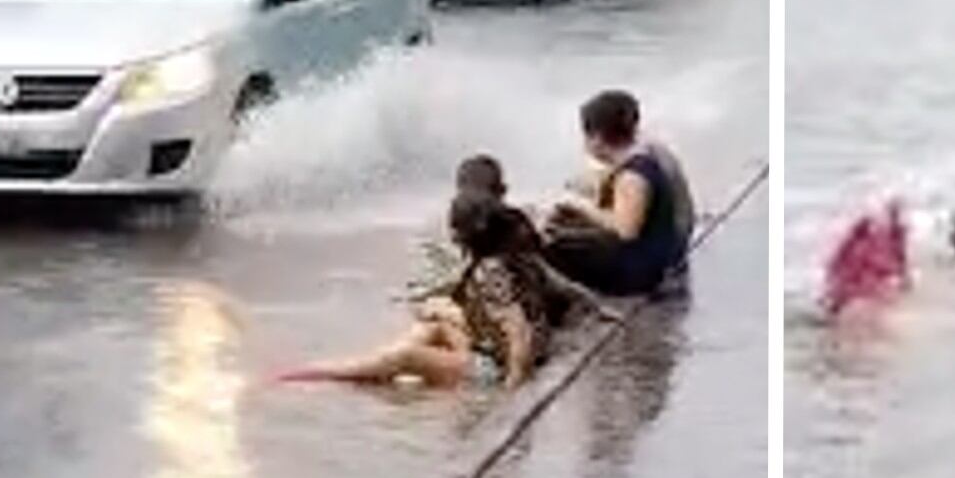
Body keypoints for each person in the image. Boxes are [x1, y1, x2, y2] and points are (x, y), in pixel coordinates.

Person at [279, 156, 556, 388]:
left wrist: (512, 387)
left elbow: (518, 332)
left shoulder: (492, 272)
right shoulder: (503, 249)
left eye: (454, 231)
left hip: (494, 369)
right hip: (491, 349)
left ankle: (337, 371)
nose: (451, 236)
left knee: (409, 355)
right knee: (432, 325)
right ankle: (375, 364)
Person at [543, 90, 691, 297]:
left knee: (548, 249)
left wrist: (581, 207)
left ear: (596, 138)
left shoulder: (633, 176)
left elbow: (626, 230)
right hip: (655, 261)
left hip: (641, 273)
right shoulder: (642, 158)